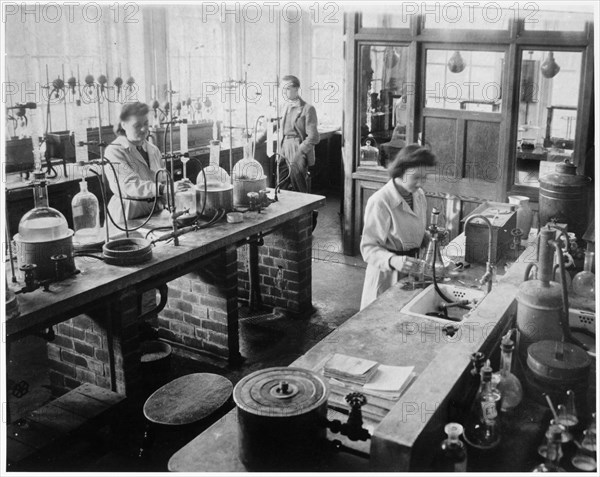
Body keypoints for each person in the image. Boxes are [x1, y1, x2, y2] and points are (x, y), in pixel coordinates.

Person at [359, 144, 437, 310]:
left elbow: (409, 231)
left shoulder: (418, 195)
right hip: (386, 275)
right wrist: (393, 260)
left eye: (425, 178)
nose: (421, 183)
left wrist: (427, 237)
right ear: (401, 171)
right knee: (382, 322)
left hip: (412, 271)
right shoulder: (380, 201)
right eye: (416, 177)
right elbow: (368, 248)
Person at [103, 102, 167, 225]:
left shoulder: (153, 150)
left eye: (146, 123)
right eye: (137, 125)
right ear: (124, 125)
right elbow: (129, 185)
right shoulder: (114, 150)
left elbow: (162, 180)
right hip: (128, 215)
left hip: (155, 213)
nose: (144, 129)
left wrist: (177, 191)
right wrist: (163, 189)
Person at [258, 75, 320, 193]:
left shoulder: (307, 109)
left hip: (296, 146)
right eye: (282, 89)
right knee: (281, 184)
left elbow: (314, 137)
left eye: (287, 89)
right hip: (282, 147)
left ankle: (305, 211)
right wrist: (258, 140)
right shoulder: (283, 107)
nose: (283, 92)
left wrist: (300, 150)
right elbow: (273, 127)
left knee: (299, 184)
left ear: (296, 89)